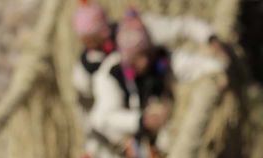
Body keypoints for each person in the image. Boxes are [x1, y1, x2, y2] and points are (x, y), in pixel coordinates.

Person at [86, 8, 225, 158]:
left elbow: (192, 64)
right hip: (119, 146)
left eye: (145, 55)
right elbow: (105, 117)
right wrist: (141, 120)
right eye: (137, 58)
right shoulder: (110, 75)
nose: (143, 62)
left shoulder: (161, 60)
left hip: (157, 140)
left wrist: (217, 71)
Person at [72, 0, 220, 113]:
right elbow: (98, 110)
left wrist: (210, 38)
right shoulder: (95, 70)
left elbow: (183, 27)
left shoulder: (139, 30)